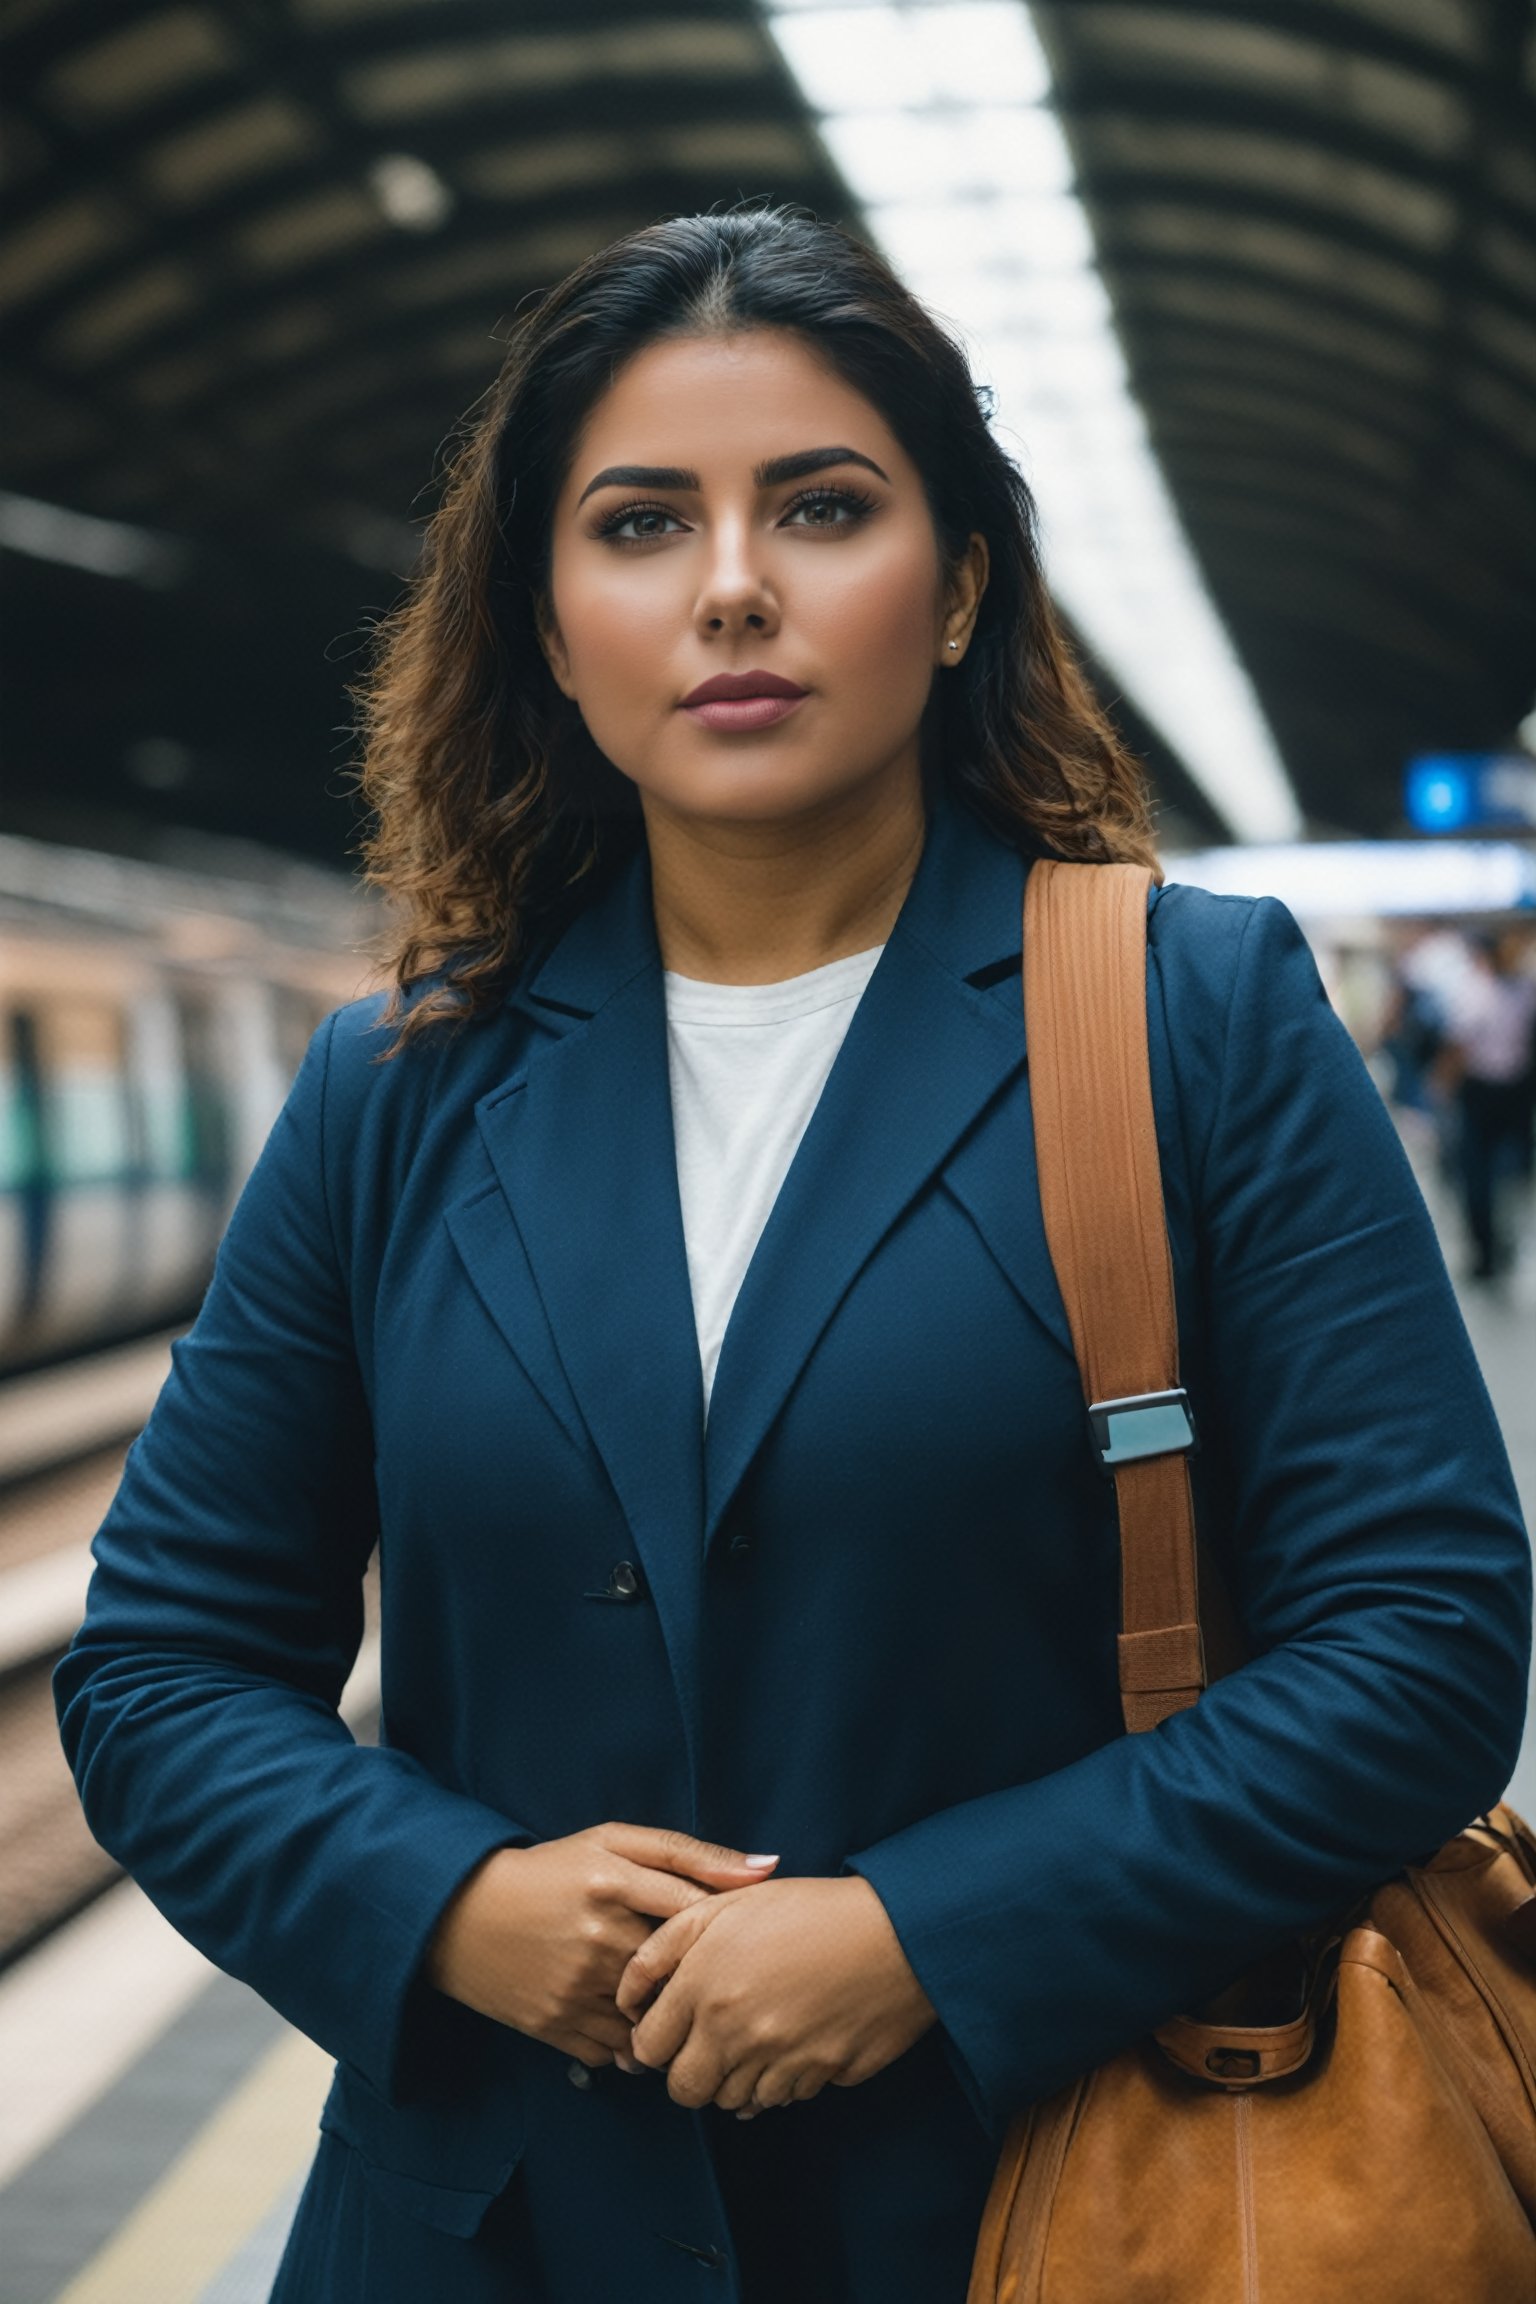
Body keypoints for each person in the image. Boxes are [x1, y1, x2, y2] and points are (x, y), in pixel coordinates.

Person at [55, 210, 1530, 2304]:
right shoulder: (399, 1085)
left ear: (960, 593)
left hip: (1057, 2209)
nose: (732, 584)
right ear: (554, 631)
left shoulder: (1190, 1016)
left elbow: (1424, 1640)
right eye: (642, 523)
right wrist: (450, 1897)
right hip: (493, 2231)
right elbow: (164, 1667)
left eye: (822, 508)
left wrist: (939, 1931)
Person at [1440, 929, 1536, 1280]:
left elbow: (1458, 1047)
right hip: (1489, 1091)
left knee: (1500, 1177)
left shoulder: (1516, 990)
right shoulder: (1484, 991)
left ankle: (1498, 1246)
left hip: (1506, 1091)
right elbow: (1459, 1046)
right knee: (1485, 1176)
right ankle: (1487, 1249)